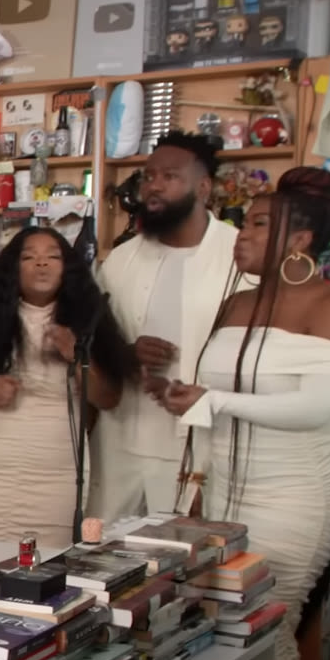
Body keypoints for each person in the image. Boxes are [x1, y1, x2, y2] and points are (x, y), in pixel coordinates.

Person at [159, 167, 330, 660]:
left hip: (299, 493)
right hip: (224, 491)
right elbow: (218, 398)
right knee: (222, 636)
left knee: (269, 634)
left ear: (300, 240)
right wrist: (184, 400)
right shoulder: (237, 303)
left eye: (254, 225)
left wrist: (214, 400)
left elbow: (313, 407)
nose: (239, 236)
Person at [0, 227, 137, 548]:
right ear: (12, 269)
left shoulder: (89, 320)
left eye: (53, 257)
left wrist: (77, 357)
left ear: (69, 268)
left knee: (47, 570)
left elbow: (109, 398)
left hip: (56, 473)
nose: (41, 264)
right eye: (29, 257)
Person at [92, 132, 239, 521]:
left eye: (169, 176)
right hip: (119, 439)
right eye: (148, 176)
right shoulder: (121, 260)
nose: (153, 185)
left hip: (201, 443)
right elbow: (94, 342)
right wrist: (126, 353)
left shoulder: (238, 256)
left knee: (184, 562)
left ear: (203, 188)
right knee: (100, 557)